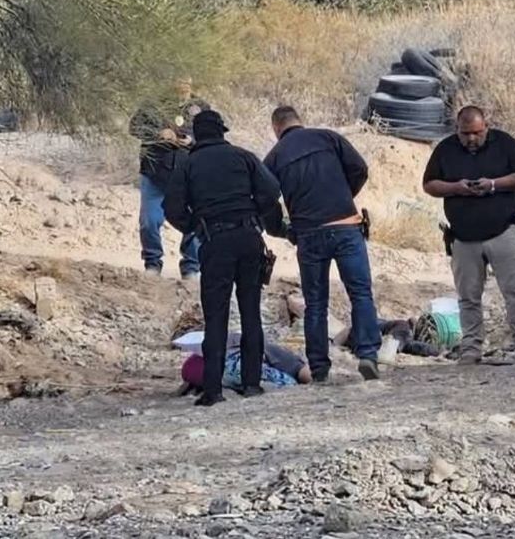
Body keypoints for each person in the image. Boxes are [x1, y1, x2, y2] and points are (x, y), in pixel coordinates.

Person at [164, 110, 281, 406]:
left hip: (215, 241)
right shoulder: (244, 156)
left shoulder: (187, 163)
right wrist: (255, 214)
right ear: (222, 132)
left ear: (198, 134)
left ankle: (213, 390)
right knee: (250, 312)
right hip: (249, 239)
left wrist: (194, 226)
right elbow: (271, 190)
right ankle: (252, 384)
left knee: (216, 317)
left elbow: (172, 207)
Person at [263, 105, 382, 382]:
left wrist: (283, 229)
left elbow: (266, 201)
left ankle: (318, 367)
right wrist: (342, 197)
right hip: (346, 227)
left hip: (309, 234)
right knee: (361, 294)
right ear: (300, 120)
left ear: (276, 128)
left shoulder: (274, 157)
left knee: (316, 303)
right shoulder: (328, 138)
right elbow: (359, 169)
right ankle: (368, 355)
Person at [422, 105, 515, 365]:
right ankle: (471, 349)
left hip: (504, 232)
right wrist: (457, 188)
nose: (471, 139)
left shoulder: (505, 144)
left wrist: (493, 185)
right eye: (465, 134)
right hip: (463, 237)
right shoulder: (446, 149)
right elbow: (429, 184)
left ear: (485, 127)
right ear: (457, 130)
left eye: (476, 133)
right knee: (468, 297)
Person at [128, 83, 209, 279]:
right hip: (155, 173)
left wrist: (191, 141)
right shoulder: (153, 104)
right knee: (149, 221)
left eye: (186, 79)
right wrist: (158, 134)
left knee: (194, 220)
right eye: (178, 78)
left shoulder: (202, 107)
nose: (182, 83)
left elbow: (213, 135)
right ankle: (152, 263)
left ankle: (191, 267)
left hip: (188, 175)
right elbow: (134, 127)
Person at [177, 331, 313, 396]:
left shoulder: (192, 364)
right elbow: (302, 372)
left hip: (198, 369)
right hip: (213, 368)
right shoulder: (278, 354)